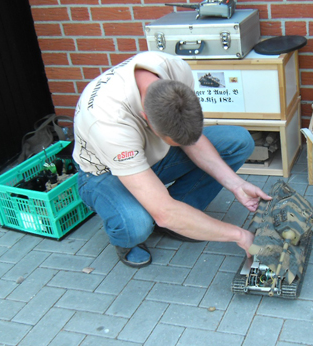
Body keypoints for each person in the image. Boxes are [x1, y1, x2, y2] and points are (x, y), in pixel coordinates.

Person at [73, 51, 270, 268]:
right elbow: (164, 213)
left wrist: (237, 184)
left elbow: (189, 136)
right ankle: (129, 239)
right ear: (146, 119)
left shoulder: (174, 69)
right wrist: (240, 236)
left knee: (238, 140)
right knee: (137, 223)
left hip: (150, 155)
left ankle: (183, 216)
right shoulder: (109, 123)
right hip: (106, 173)